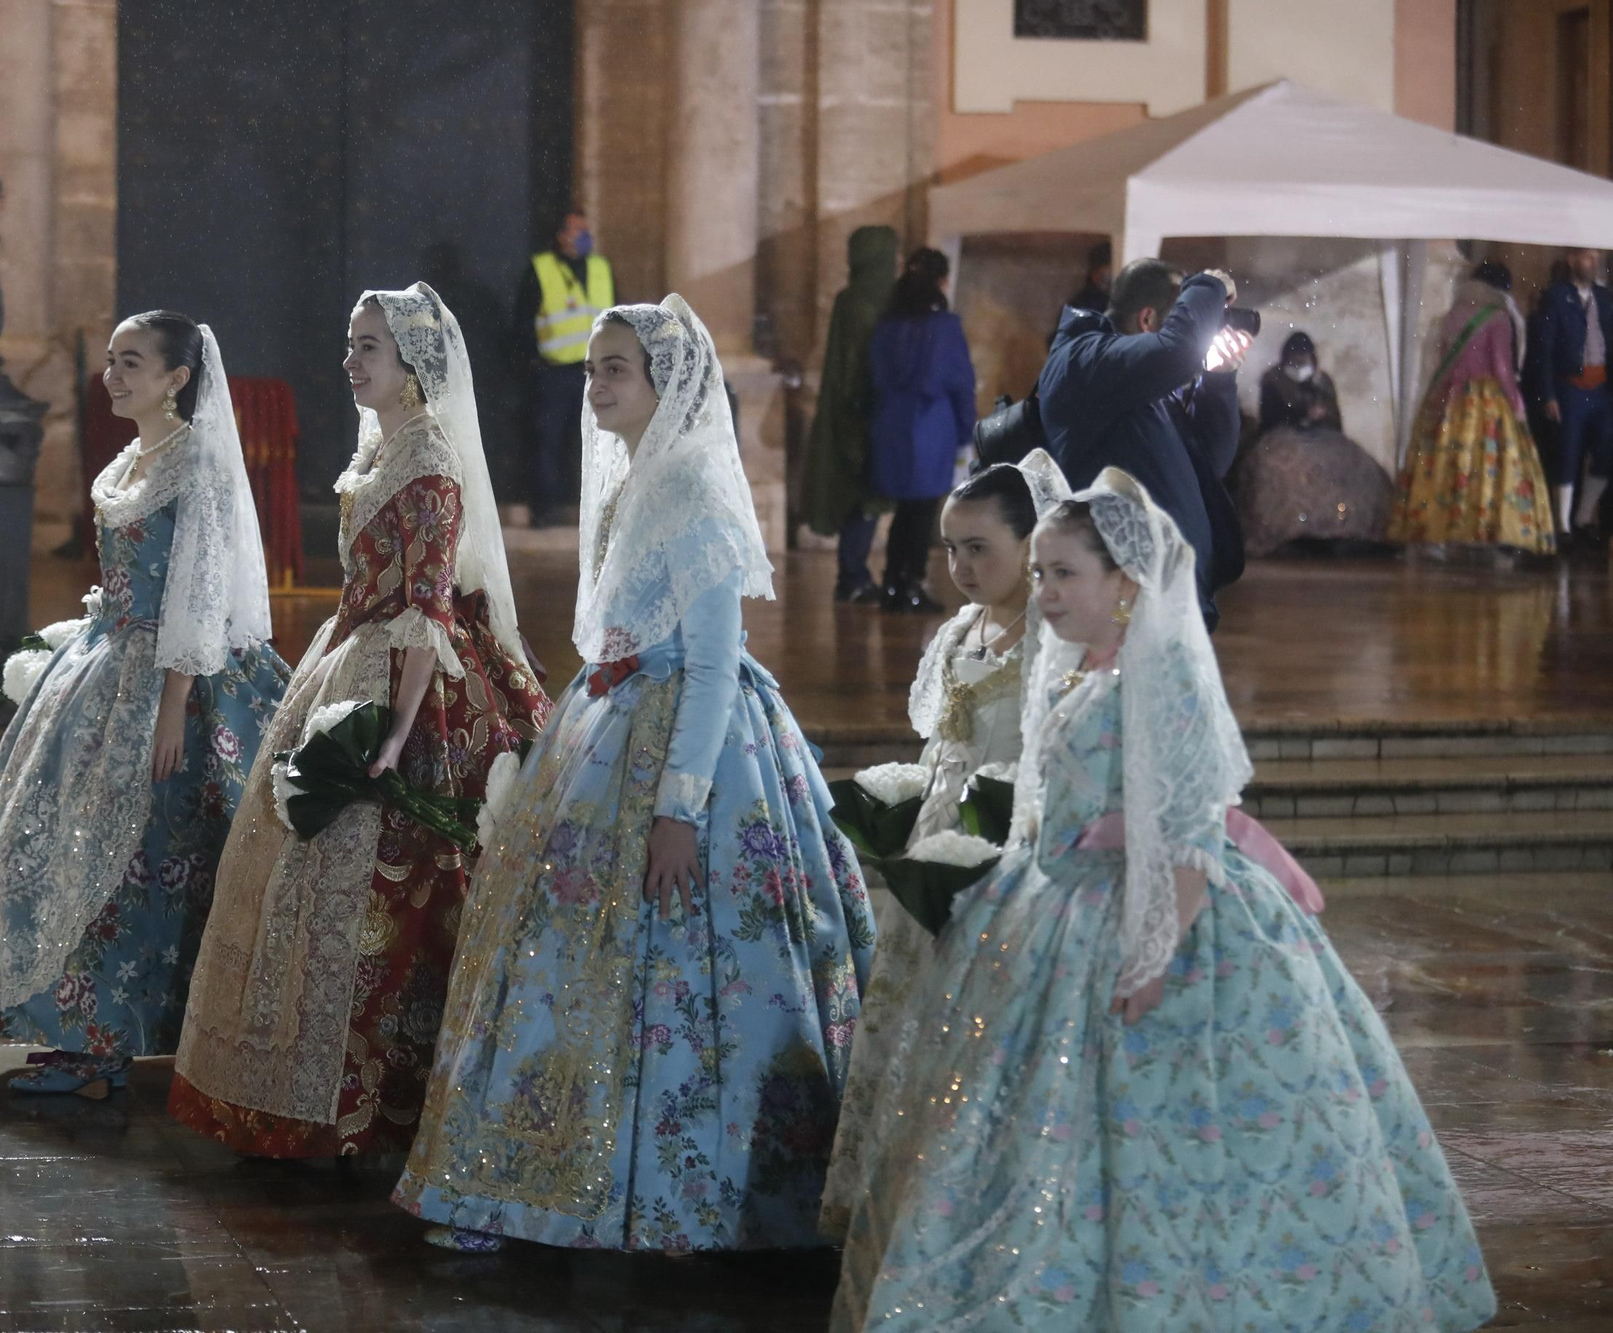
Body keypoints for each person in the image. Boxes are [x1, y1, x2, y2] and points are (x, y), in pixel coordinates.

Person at [831, 469, 1496, 1333]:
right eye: (1040, 573)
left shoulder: (1162, 666)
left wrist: (1152, 951)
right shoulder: (1074, 671)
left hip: (1167, 921)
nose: (1046, 591)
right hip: (1062, 906)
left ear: (1126, 581)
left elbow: (1186, 830)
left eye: (1065, 573)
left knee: (1175, 1124)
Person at [394, 296, 877, 1253]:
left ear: (667, 380)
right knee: (559, 961)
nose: (598, 382)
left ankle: (681, 1190)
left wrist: (679, 809)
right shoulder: (636, 478)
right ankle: (531, 1173)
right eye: (593, 367)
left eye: (617, 367)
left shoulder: (692, 485)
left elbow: (709, 664)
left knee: (678, 970)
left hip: (686, 749)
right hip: (610, 721)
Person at [168, 283, 551, 1156]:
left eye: (369, 346)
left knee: (391, 884)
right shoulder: (382, 449)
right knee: (297, 871)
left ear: (413, 363)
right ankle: (298, 1087)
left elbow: (426, 609)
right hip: (352, 655)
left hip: (411, 684)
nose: (352, 360)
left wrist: (395, 730)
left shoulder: (430, 462)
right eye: (350, 343)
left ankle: (379, 1100)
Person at [0, 313, 292, 1096]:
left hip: (180, 679)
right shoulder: (133, 457)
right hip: (107, 664)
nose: (113, 377)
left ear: (177, 378)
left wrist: (173, 704)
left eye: (133, 363)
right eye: (111, 362)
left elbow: (199, 590)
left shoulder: (197, 462)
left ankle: (118, 1036)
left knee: (146, 853)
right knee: (66, 840)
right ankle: (76, 1029)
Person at [819, 450, 1069, 1239]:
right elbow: (939, 740)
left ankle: (980, 1212)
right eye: (950, 548)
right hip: (939, 846)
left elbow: (1052, 754)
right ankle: (894, 1203)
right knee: (909, 1021)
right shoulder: (961, 627)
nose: (959, 566)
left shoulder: (1052, 639)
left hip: (1006, 848)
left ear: (1032, 544)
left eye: (979, 547)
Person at [1038, 260, 1251, 629]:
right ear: (1148, 320)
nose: (1198, 331)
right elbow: (1178, 351)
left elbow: (1209, 463)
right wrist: (1208, 286)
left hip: (1164, 598)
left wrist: (1219, 380)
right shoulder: (1085, 360)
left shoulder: (1140, 385)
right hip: (1119, 605)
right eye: (1183, 315)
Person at [1390, 261, 1555, 556]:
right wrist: (1517, 404)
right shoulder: (1498, 317)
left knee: (1445, 463)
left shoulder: (1452, 315)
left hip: (1452, 398)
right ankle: (1484, 532)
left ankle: (1437, 534)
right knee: (1489, 466)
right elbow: (1502, 368)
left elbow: (1442, 359)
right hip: (1486, 401)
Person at [867, 247, 978, 613]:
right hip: (931, 425)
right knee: (922, 511)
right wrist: (967, 432)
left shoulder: (887, 327)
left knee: (903, 510)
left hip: (891, 423)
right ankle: (910, 581)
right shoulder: (944, 328)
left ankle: (893, 582)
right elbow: (960, 383)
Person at [802, 225, 899, 603]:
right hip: (867, 414)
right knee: (865, 498)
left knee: (861, 498)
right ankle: (853, 574)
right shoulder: (872, 302)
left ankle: (853, 572)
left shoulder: (850, 299)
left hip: (854, 411)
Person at [1237, 330, 1394, 555]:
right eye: (1295, 357)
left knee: (1354, 464)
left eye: (1304, 357)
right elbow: (1269, 417)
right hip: (1283, 434)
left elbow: (1336, 419)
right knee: (1279, 467)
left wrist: (1322, 415)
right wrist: (1302, 414)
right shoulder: (1273, 379)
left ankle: (1349, 531)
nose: (1300, 362)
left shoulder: (1323, 380)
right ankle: (1288, 532)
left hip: (1323, 437)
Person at [515, 207, 615, 528]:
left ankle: (596, 511)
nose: (584, 236)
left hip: (596, 372)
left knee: (598, 442)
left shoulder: (601, 268)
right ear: (560, 236)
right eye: (576, 230)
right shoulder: (541, 269)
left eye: (586, 229)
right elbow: (524, 322)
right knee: (549, 442)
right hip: (555, 372)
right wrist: (533, 363)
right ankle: (545, 510)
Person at [1528, 247, 1613, 541]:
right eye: (1586, 258)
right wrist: (1549, 394)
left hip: (1602, 388)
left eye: (1594, 258)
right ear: (1572, 260)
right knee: (1568, 451)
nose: (1592, 263)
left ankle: (1583, 516)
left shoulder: (1604, 298)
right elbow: (1545, 349)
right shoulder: (1556, 297)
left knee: (1606, 449)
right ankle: (1563, 524)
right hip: (1570, 387)